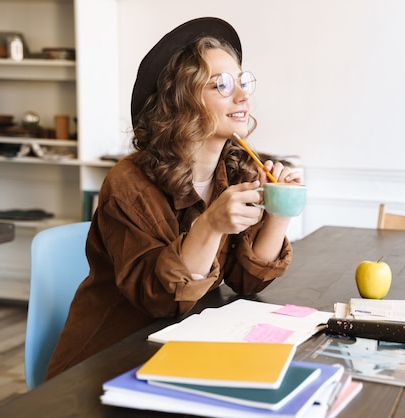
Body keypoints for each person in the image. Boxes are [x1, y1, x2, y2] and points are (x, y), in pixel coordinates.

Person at [45, 17, 300, 379]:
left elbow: (248, 281)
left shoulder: (235, 170)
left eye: (243, 82)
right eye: (222, 85)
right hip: (103, 365)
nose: (243, 96)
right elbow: (162, 300)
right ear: (181, 100)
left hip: (177, 351)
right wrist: (211, 223)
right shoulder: (129, 184)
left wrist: (280, 209)